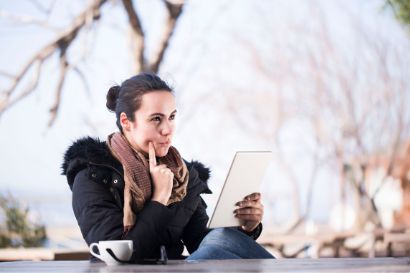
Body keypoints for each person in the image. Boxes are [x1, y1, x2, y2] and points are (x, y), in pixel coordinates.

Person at [62, 73, 274, 261]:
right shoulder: (95, 176)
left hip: (171, 270)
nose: (167, 130)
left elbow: (200, 241)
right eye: (156, 119)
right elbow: (118, 256)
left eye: (171, 117)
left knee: (218, 239)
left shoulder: (182, 174)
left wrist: (247, 227)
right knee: (209, 253)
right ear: (126, 121)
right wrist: (159, 199)